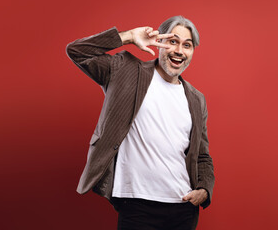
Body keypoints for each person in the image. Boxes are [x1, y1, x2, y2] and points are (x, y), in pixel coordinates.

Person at [66, 16, 215, 230]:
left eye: (187, 45)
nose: (179, 51)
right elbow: (77, 51)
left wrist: (205, 189)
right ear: (160, 41)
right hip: (137, 205)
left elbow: (202, 155)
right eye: (173, 41)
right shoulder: (125, 71)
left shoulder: (196, 99)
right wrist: (127, 37)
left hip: (183, 207)